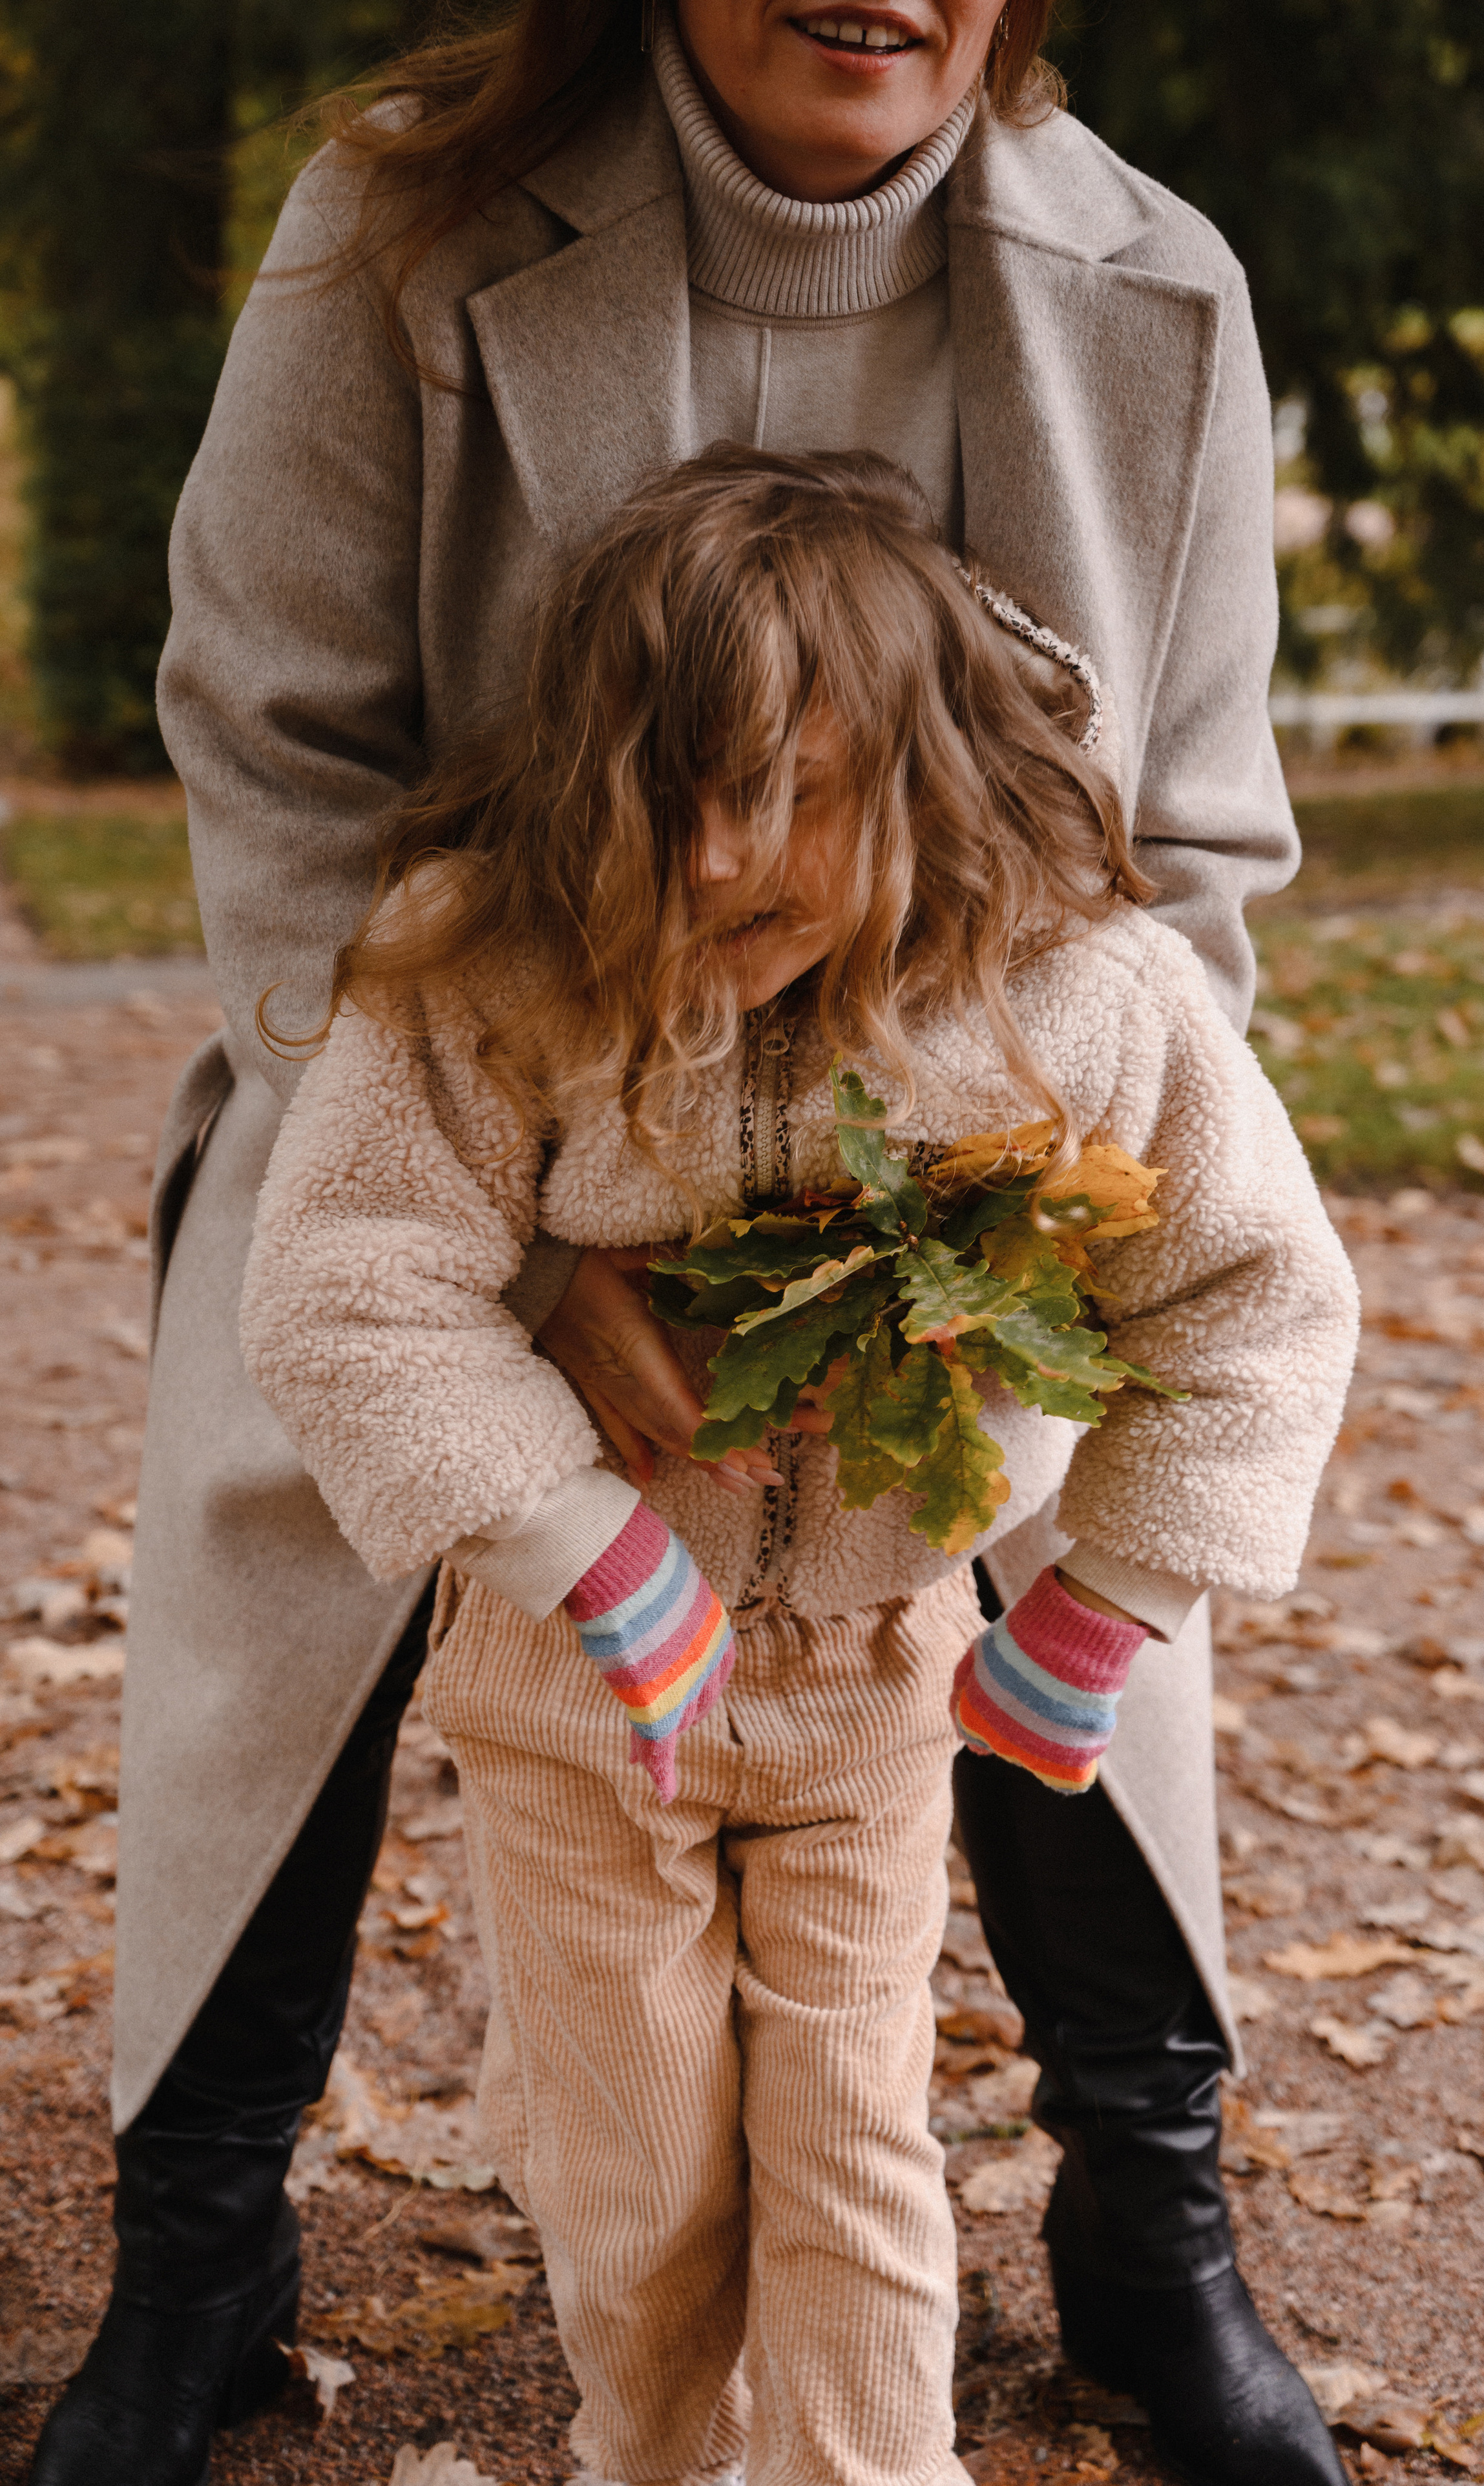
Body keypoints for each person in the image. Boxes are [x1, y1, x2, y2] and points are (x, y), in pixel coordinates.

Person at [28, 4, 1341, 2483]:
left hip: (971, 1145)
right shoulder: (400, 225)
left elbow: (1195, 849)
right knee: (297, 1411)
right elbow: (271, 740)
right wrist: (515, 1243)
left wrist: (1006, 1241)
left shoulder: (1157, 287)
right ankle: (196, 2261)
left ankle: (1154, 2242)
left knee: (1070, 1487)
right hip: (453, 1089)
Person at [237, 448, 1359, 2486]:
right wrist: (589, 1548)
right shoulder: (493, 974)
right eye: (677, 798)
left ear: (928, 768)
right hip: (577, 1705)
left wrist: (1104, 1603)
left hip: (874, 1678)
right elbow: (344, 1284)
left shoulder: (1074, 995)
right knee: (643, 2154)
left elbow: (1257, 1301)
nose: (734, 854)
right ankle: (653, 2451)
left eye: (807, 792)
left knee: (857, 2138)